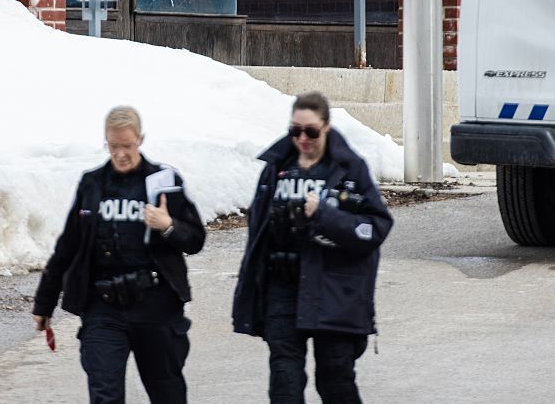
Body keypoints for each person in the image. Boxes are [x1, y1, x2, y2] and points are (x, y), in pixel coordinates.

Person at [32, 105, 205, 404]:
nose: (120, 154)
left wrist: (168, 226)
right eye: (113, 146)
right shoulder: (93, 184)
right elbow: (68, 246)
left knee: (167, 393)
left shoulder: (163, 181)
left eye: (127, 145)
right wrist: (44, 303)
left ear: (140, 139)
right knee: (105, 394)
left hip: (156, 305)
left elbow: (195, 240)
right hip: (103, 307)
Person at [232, 92, 393, 403]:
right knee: (284, 382)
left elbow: (376, 227)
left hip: (333, 288)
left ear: (327, 128)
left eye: (311, 132)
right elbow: (259, 230)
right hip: (283, 285)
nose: (302, 139)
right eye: (295, 131)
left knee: (335, 381)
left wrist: (325, 215)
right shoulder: (277, 165)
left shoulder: (349, 169)